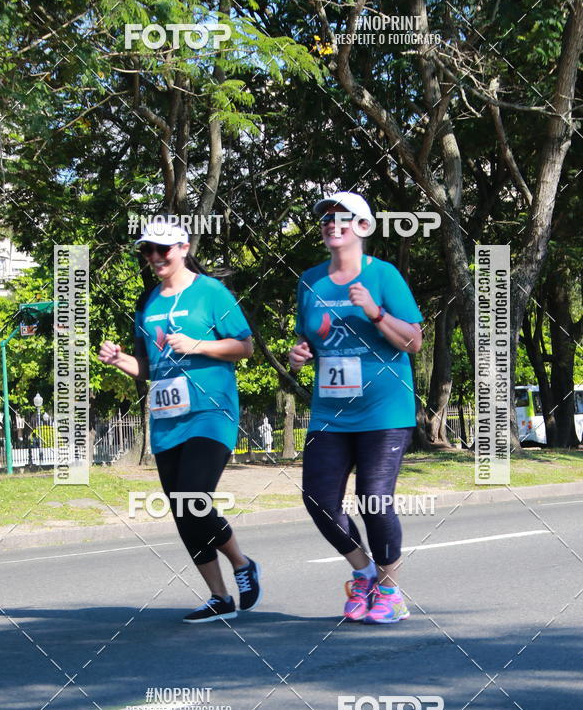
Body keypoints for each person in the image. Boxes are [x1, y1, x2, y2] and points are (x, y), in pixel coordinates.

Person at [98, 220, 262, 623]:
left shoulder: (211, 292)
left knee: (194, 498)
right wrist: (119, 360)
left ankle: (242, 564)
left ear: (183, 248)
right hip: (167, 417)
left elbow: (245, 347)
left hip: (211, 412)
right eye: (148, 251)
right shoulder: (148, 302)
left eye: (162, 250)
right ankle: (219, 597)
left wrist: (198, 345)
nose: (155, 257)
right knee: (182, 511)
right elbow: (147, 367)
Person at [288, 192, 423, 624]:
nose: (331, 223)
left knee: (374, 499)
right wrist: (302, 351)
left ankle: (389, 590)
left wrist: (375, 312)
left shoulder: (384, 275)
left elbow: (414, 341)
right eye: (325, 217)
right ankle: (364, 572)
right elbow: (311, 336)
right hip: (331, 409)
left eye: (342, 217)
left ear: (363, 226)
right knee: (318, 498)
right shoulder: (310, 280)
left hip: (385, 410)